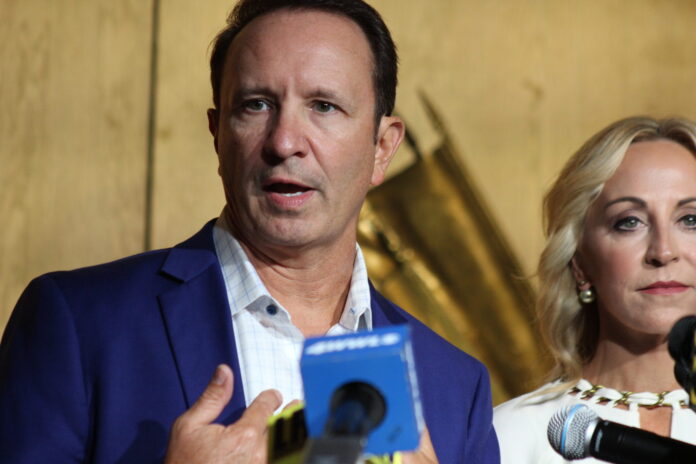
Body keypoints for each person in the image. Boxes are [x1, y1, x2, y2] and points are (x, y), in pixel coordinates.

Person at [0, 1, 499, 462]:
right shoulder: (79, 323)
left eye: (324, 106)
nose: (284, 141)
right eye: (256, 104)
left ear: (382, 148)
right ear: (217, 134)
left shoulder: (454, 385)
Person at [493, 116, 696, 463]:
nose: (663, 251)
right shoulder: (507, 436)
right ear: (580, 263)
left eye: (691, 220)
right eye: (629, 222)